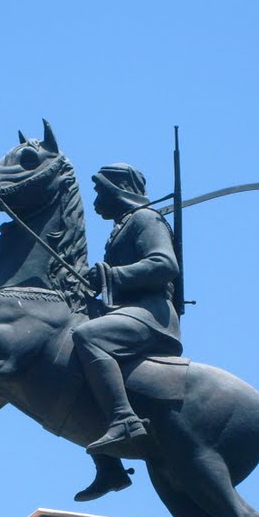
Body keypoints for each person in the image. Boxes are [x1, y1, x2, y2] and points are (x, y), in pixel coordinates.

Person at [72, 163, 182, 469]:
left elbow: (164, 265)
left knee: (87, 336)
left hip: (151, 314)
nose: (95, 199)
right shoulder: (121, 227)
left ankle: (125, 420)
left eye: (99, 190)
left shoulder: (145, 219)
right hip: (125, 311)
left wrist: (112, 275)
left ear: (117, 188)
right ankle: (109, 466)